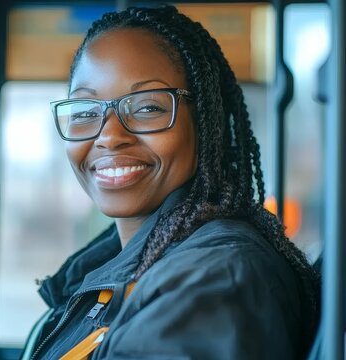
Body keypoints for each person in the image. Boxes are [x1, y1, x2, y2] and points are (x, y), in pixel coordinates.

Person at [21, 5, 320, 360]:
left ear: (207, 124)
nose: (110, 136)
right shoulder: (123, 265)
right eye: (86, 111)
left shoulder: (215, 279)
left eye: (148, 107)